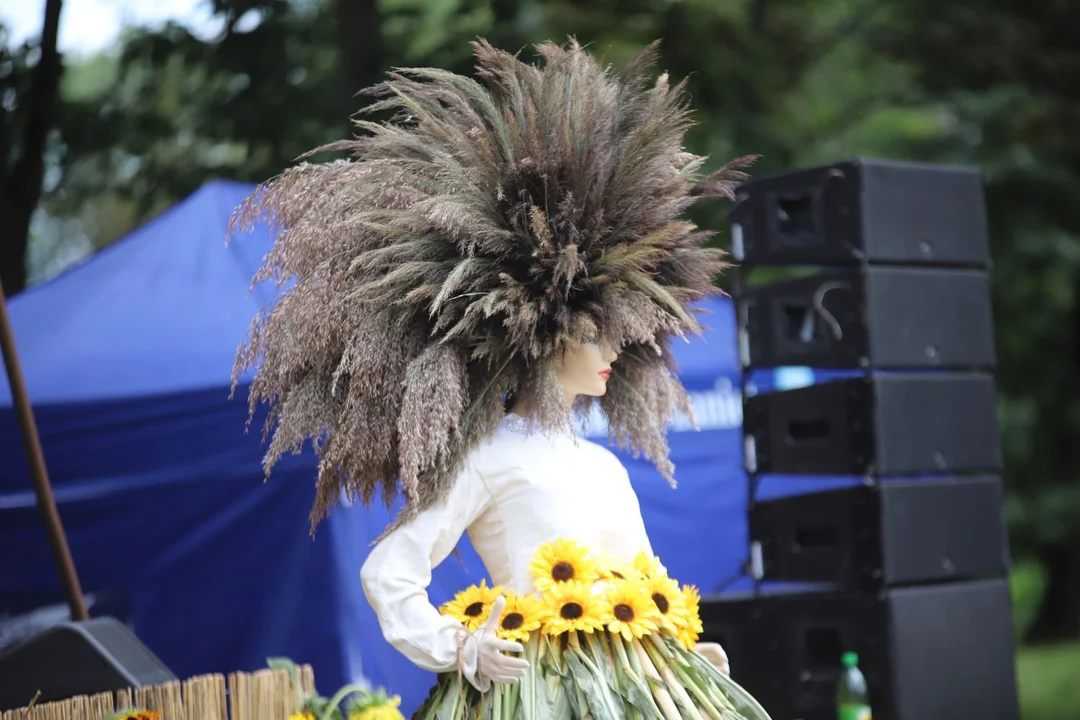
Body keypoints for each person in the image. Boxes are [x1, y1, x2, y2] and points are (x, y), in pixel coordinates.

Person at [231, 37, 769, 719]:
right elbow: (389, 572)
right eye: (592, 332)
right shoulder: (487, 457)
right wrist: (462, 649)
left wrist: (684, 650)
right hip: (533, 696)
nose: (613, 351)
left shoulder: (602, 466)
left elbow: (646, 584)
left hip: (638, 692)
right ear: (543, 340)